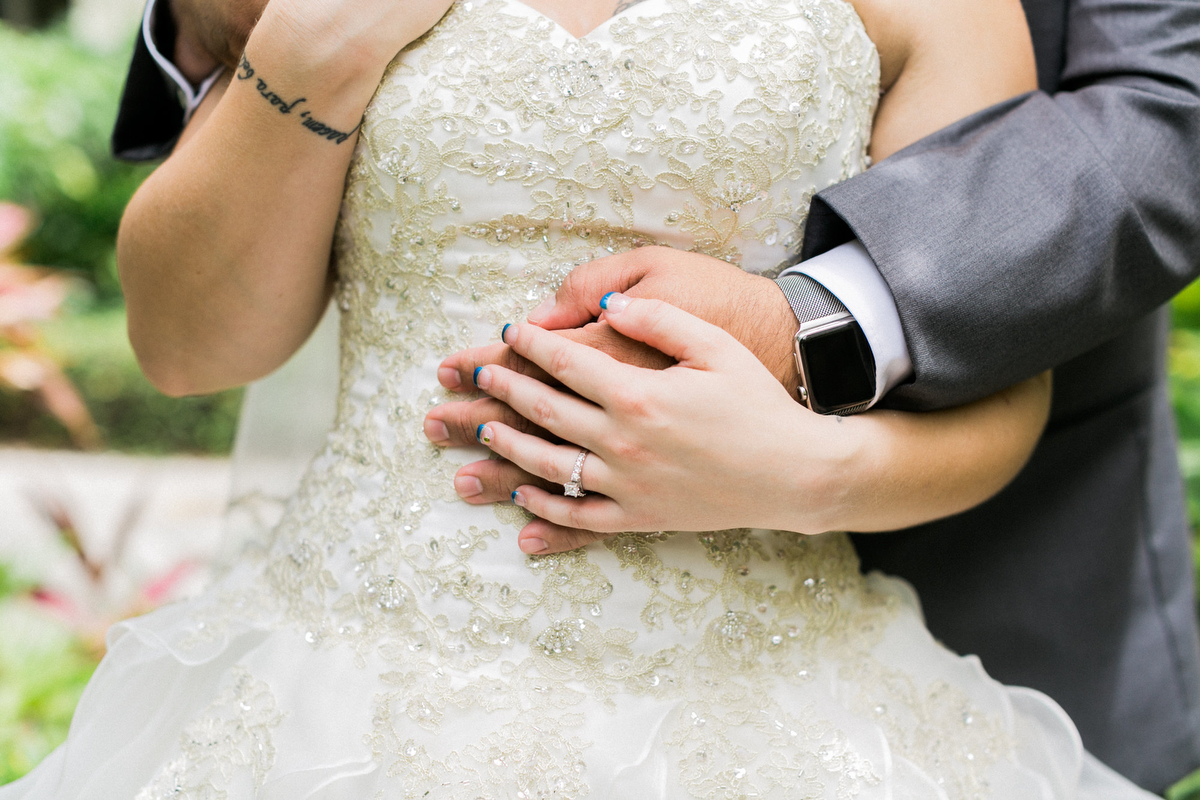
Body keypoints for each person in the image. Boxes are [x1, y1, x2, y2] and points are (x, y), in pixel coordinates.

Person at [0, 0, 1173, 796]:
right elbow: (186, 344)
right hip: (348, 683)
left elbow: (998, 380)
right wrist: (311, 51)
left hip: (771, 687)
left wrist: (803, 472)